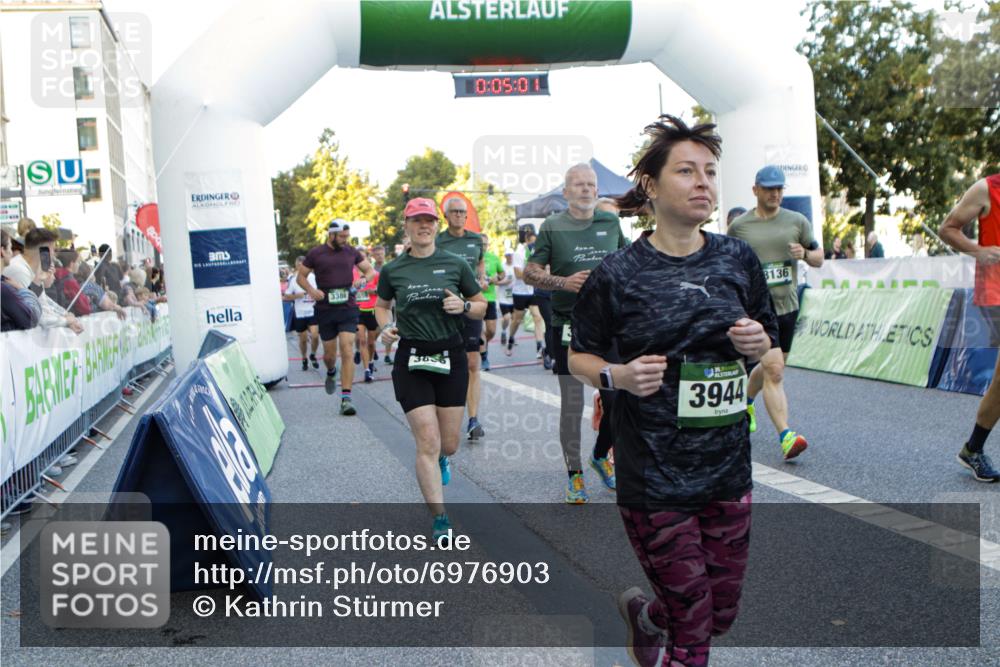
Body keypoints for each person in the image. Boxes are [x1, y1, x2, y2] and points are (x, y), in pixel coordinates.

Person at [568, 114, 777, 667]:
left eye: (710, 171)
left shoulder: (738, 259)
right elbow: (578, 357)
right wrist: (620, 375)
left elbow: (771, 347)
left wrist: (759, 343)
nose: (703, 181)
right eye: (686, 170)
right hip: (654, 475)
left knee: (720, 613)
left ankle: (647, 616)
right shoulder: (617, 274)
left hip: (727, 470)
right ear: (652, 186)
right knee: (695, 631)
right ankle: (669, 628)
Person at [374, 198, 487, 541]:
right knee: (427, 438)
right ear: (406, 226)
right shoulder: (393, 270)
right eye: (416, 220)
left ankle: (442, 459)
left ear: (436, 226)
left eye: (429, 220)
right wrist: (385, 328)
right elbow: (381, 307)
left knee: (448, 445)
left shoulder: (454, 263)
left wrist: (465, 305)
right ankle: (440, 519)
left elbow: (481, 305)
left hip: (450, 354)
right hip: (412, 357)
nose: (423, 226)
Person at [525, 163, 627, 503]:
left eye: (591, 184)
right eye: (578, 185)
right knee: (571, 403)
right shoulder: (553, 226)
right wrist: (562, 283)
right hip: (567, 323)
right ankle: (575, 476)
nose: (586, 189)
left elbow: (628, 263)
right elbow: (530, 272)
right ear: (566, 192)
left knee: (618, 399)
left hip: (608, 324)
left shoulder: (610, 222)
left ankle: (600, 456)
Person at [727, 165, 822, 460]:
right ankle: (786, 435)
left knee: (775, 365)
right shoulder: (740, 227)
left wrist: (805, 254)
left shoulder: (797, 221)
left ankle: (745, 400)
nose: (776, 194)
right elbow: (725, 264)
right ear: (756, 190)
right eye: (769, 189)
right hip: (756, 310)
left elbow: (819, 257)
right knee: (775, 370)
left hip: (787, 307)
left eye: (780, 188)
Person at [939, 173, 1000, 482]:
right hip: (996, 294)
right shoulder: (987, 189)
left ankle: (973, 449)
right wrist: (979, 250)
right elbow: (947, 228)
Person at [299, 220, 377, 416]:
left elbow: (370, 271)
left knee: (348, 348)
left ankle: (346, 398)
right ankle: (331, 371)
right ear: (331, 235)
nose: (345, 240)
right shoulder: (315, 253)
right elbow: (301, 277)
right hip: (325, 308)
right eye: (341, 237)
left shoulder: (351, 252)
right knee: (329, 355)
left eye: (347, 237)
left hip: (347, 307)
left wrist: (362, 280)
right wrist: (311, 290)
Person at [436, 197, 488, 440]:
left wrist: (482, 277)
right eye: (454, 212)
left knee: (472, 362)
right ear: (446, 216)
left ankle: (473, 419)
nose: (459, 215)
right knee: (445, 362)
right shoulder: (438, 241)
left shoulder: (476, 239)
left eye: (462, 212)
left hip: (469, 305)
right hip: (444, 307)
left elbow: (480, 263)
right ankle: (444, 414)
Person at [3, 228, 83, 333]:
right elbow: (37, 316)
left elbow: (44, 303)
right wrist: (66, 320)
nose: (54, 254)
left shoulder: (32, 269)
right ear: (45, 250)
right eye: (53, 249)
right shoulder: (20, 270)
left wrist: (65, 315)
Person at [506, 228, 547, 364]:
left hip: (533, 290)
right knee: (517, 320)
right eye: (532, 242)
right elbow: (518, 274)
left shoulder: (538, 253)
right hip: (520, 291)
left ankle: (539, 348)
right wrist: (532, 273)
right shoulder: (519, 253)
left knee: (537, 317)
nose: (535, 245)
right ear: (527, 241)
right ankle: (511, 337)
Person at [284, 256, 320, 371]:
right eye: (298, 266)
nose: (300, 267)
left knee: (315, 335)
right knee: (303, 339)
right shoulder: (293, 279)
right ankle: (304, 358)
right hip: (300, 312)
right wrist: (297, 296)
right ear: (296, 266)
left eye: (302, 265)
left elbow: (319, 291)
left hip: (312, 310)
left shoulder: (312, 277)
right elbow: (286, 296)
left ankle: (313, 354)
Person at [1, 229, 40, 331]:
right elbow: (32, 319)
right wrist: (23, 290)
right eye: (10, 247)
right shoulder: (4, 289)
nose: (12, 252)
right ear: (2, 251)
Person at [478, 233, 505, 372]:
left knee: (491, 330)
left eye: (485, 244)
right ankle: (484, 357)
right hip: (476, 298)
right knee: (479, 330)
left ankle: (481, 344)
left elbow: (502, 274)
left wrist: (497, 278)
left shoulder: (494, 258)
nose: (482, 247)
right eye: (480, 244)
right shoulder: (471, 258)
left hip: (491, 299)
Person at [355, 249, 381, 383]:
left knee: (371, 342)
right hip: (358, 310)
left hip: (372, 310)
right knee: (362, 341)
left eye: (363, 258)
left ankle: (370, 362)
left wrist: (373, 290)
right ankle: (366, 370)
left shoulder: (375, 274)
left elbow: (382, 289)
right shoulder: (352, 274)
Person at [497, 249, 515, 346]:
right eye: (508, 255)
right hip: (503, 297)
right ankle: (504, 331)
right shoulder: (502, 267)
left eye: (511, 255)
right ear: (505, 256)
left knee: (515, 319)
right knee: (507, 318)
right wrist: (505, 282)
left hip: (515, 297)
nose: (510, 257)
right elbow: (495, 282)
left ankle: (512, 337)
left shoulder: (516, 267)